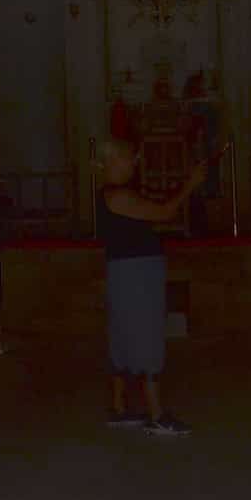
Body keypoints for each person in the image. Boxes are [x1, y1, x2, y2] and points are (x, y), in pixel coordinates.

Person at [99, 137, 205, 436]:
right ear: (114, 161)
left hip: (129, 271)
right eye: (130, 158)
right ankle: (155, 412)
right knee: (146, 334)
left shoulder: (117, 194)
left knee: (123, 334)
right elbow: (165, 212)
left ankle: (120, 408)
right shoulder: (116, 195)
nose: (135, 164)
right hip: (135, 273)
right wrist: (190, 185)